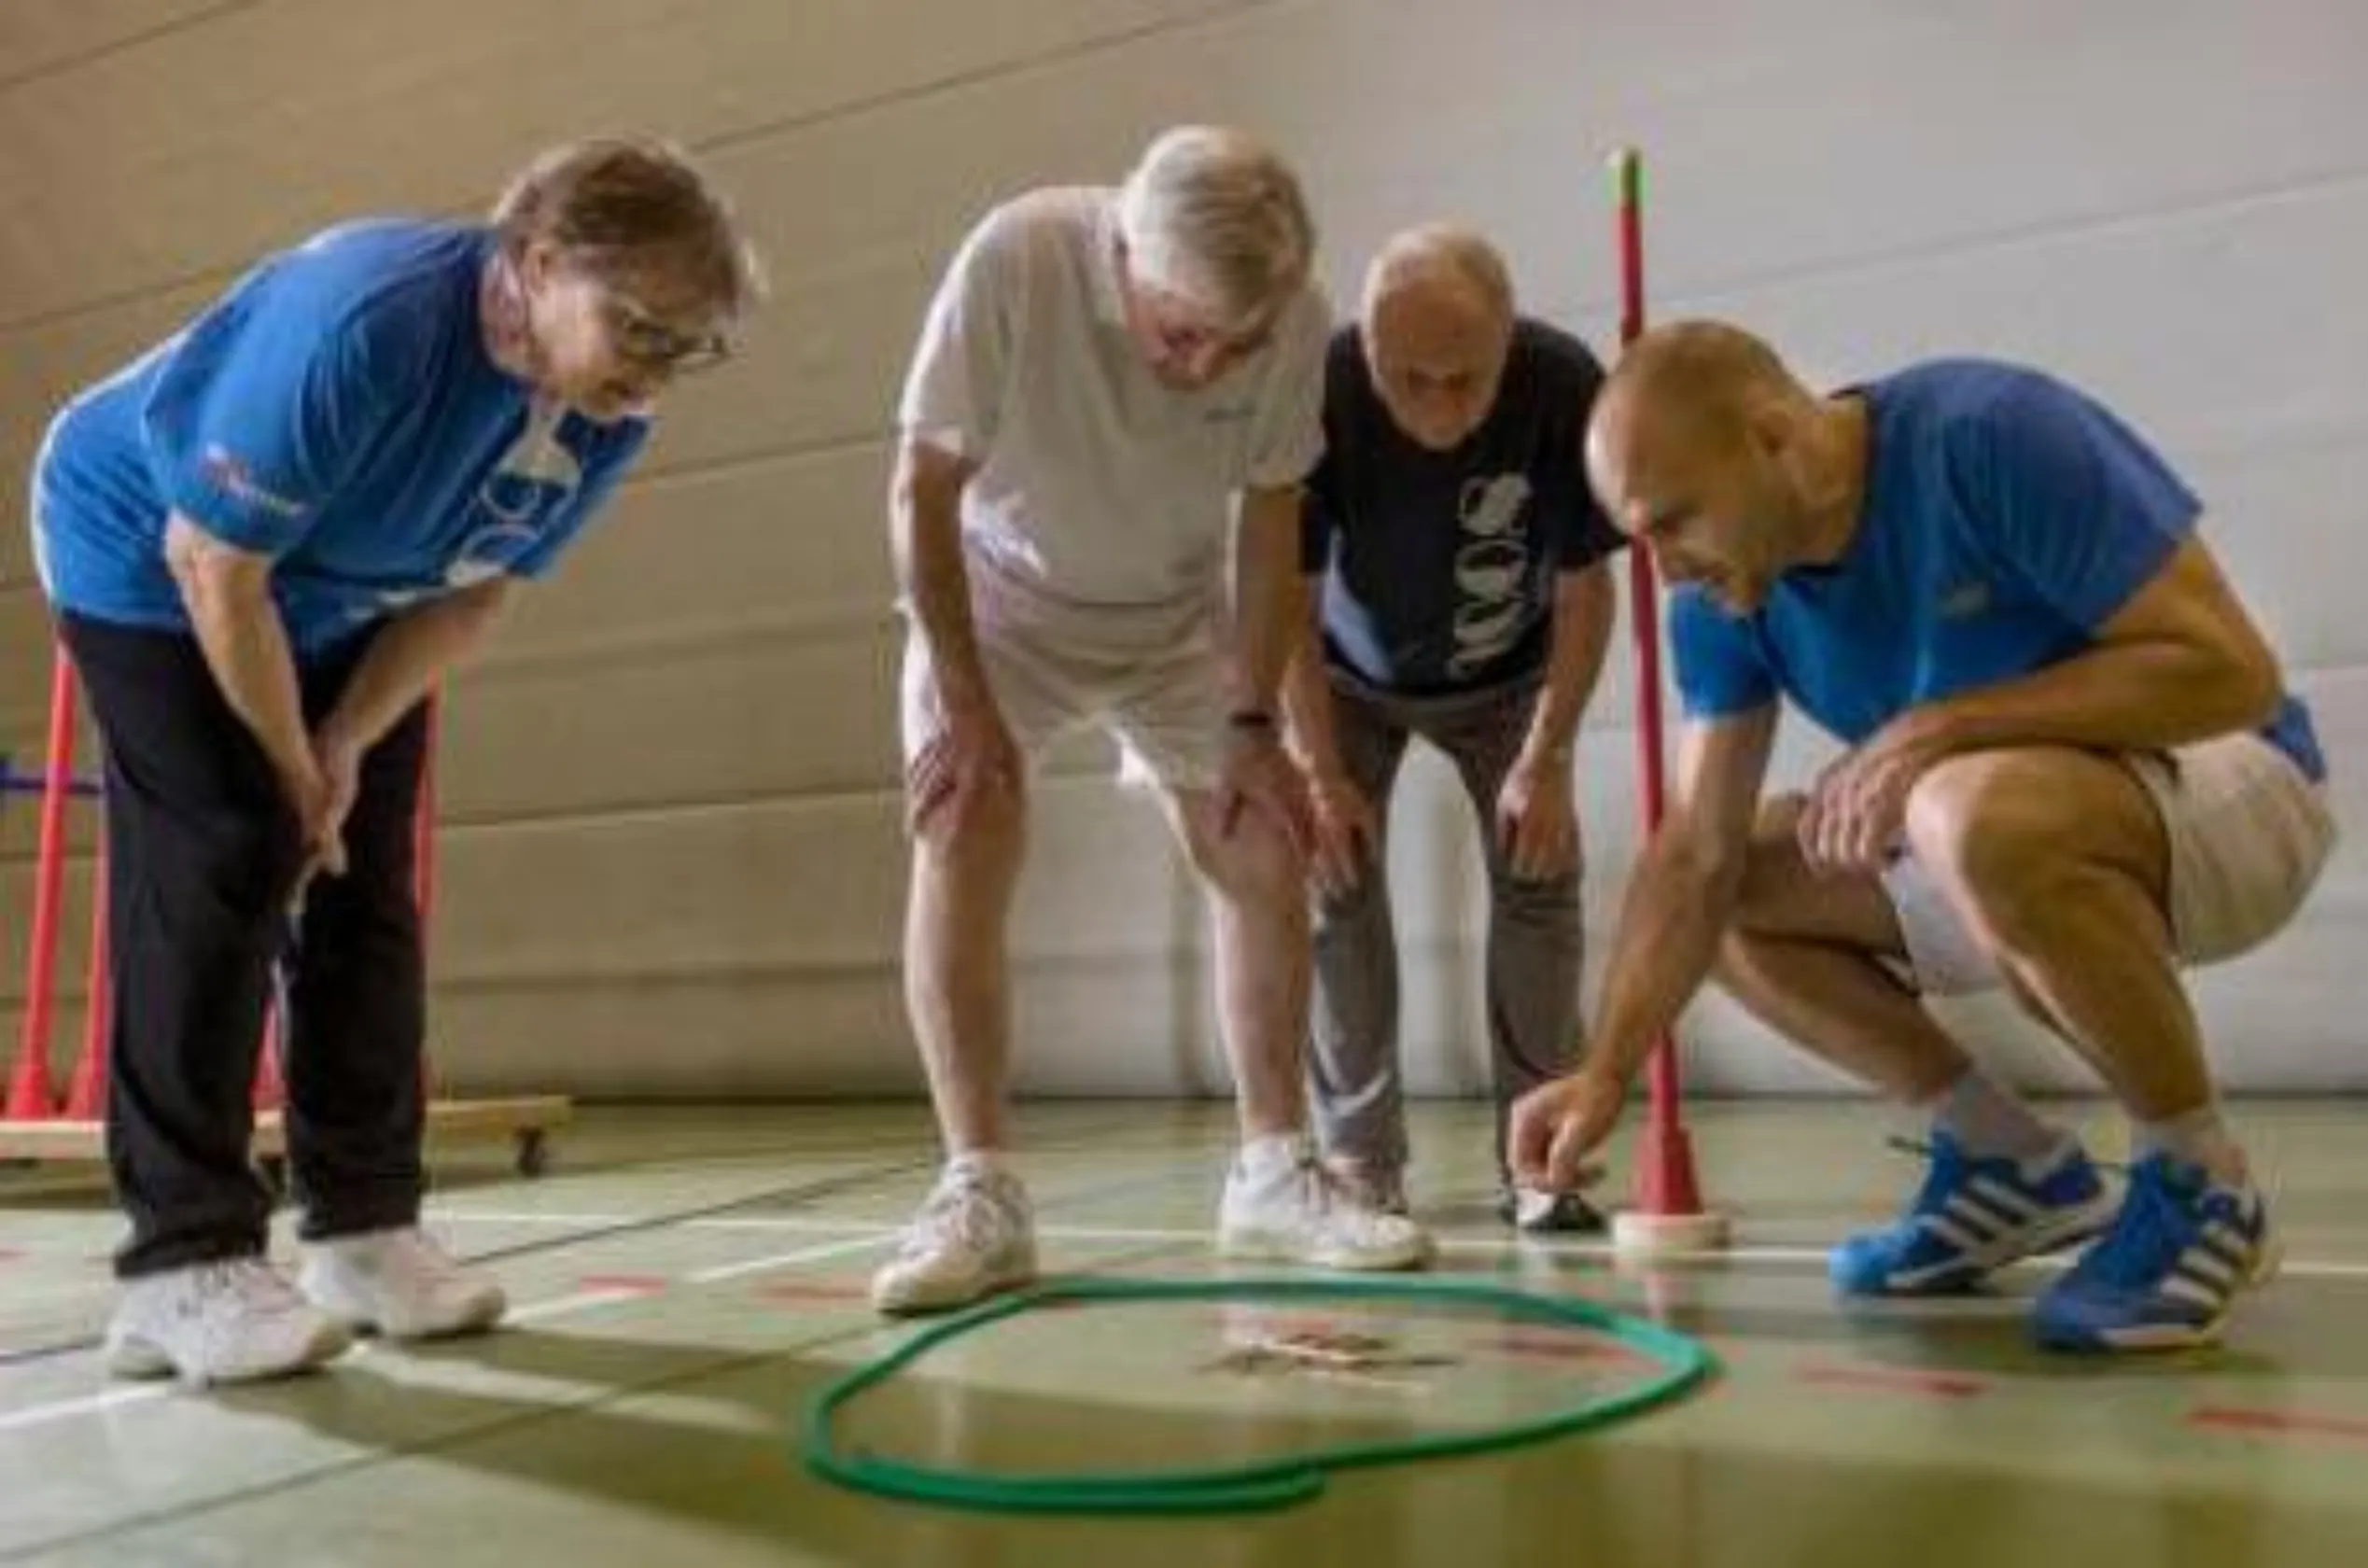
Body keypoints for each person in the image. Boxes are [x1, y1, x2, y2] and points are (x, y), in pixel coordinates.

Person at [29, 138, 761, 1385]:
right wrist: (290, 771)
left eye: (690, 348)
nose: (657, 373)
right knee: (228, 850)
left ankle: (363, 1231)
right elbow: (216, 567)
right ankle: (180, 1263)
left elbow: (475, 597)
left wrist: (348, 745)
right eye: (641, 328)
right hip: (157, 560)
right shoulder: (365, 323)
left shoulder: (605, 416)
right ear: (534, 267)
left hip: (349, 597)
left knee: (368, 880)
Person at [1508, 322, 2336, 1351]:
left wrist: (1939, 729)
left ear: (1773, 437)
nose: (1667, 571)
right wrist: (1605, 1072)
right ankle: (2008, 1164)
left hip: (2235, 785)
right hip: (1999, 825)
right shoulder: (1724, 601)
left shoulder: (1988, 436)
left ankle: (2201, 1182)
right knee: (1728, 892)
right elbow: (1694, 856)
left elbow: (2231, 673)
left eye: (1674, 522)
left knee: (1958, 805)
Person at [874, 126, 1432, 1317]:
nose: (1206, 366)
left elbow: (1270, 520)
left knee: (1262, 835)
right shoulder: (1017, 258)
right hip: (1004, 603)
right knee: (965, 822)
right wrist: (964, 699)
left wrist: (1250, 717)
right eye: (1183, 336)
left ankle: (1273, 1171)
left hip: (1179, 611)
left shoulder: (1286, 316)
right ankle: (981, 1190)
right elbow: (921, 485)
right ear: (1121, 251)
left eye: (1235, 346)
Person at [1286, 226, 1620, 1232]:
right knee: (1332, 882)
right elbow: (1283, 603)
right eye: (1408, 379)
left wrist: (1550, 755)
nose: (1437, 409)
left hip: (1509, 675)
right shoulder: (1319, 388)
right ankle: (1359, 1164)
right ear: (1370, 351)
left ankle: (1539, 1153)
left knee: (1540, 877)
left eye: (1463, 381)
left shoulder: (1561, 384)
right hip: (1346, 676)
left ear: (1509, 342)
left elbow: (1585, 587)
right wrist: (1316, 769)